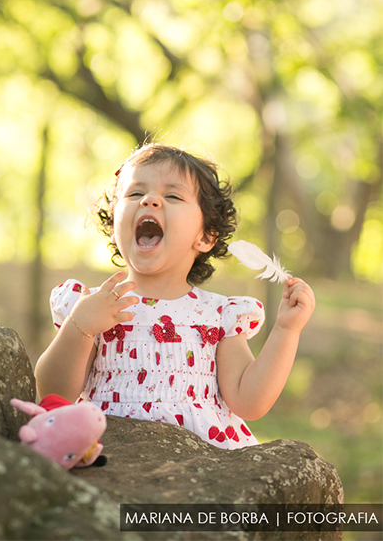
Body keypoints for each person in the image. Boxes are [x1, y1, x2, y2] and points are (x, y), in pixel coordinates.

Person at [34, 144, 314, 448]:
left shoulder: (218, 316)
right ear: (115, 223)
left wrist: (287, 330)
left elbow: (249, 401)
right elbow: (54, 393)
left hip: (200, 459)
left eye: (172, 196)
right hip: (113, 452)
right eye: (134, 194)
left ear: (205, 236)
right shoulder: (95, 306)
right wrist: (80, 326)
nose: (150, 200)